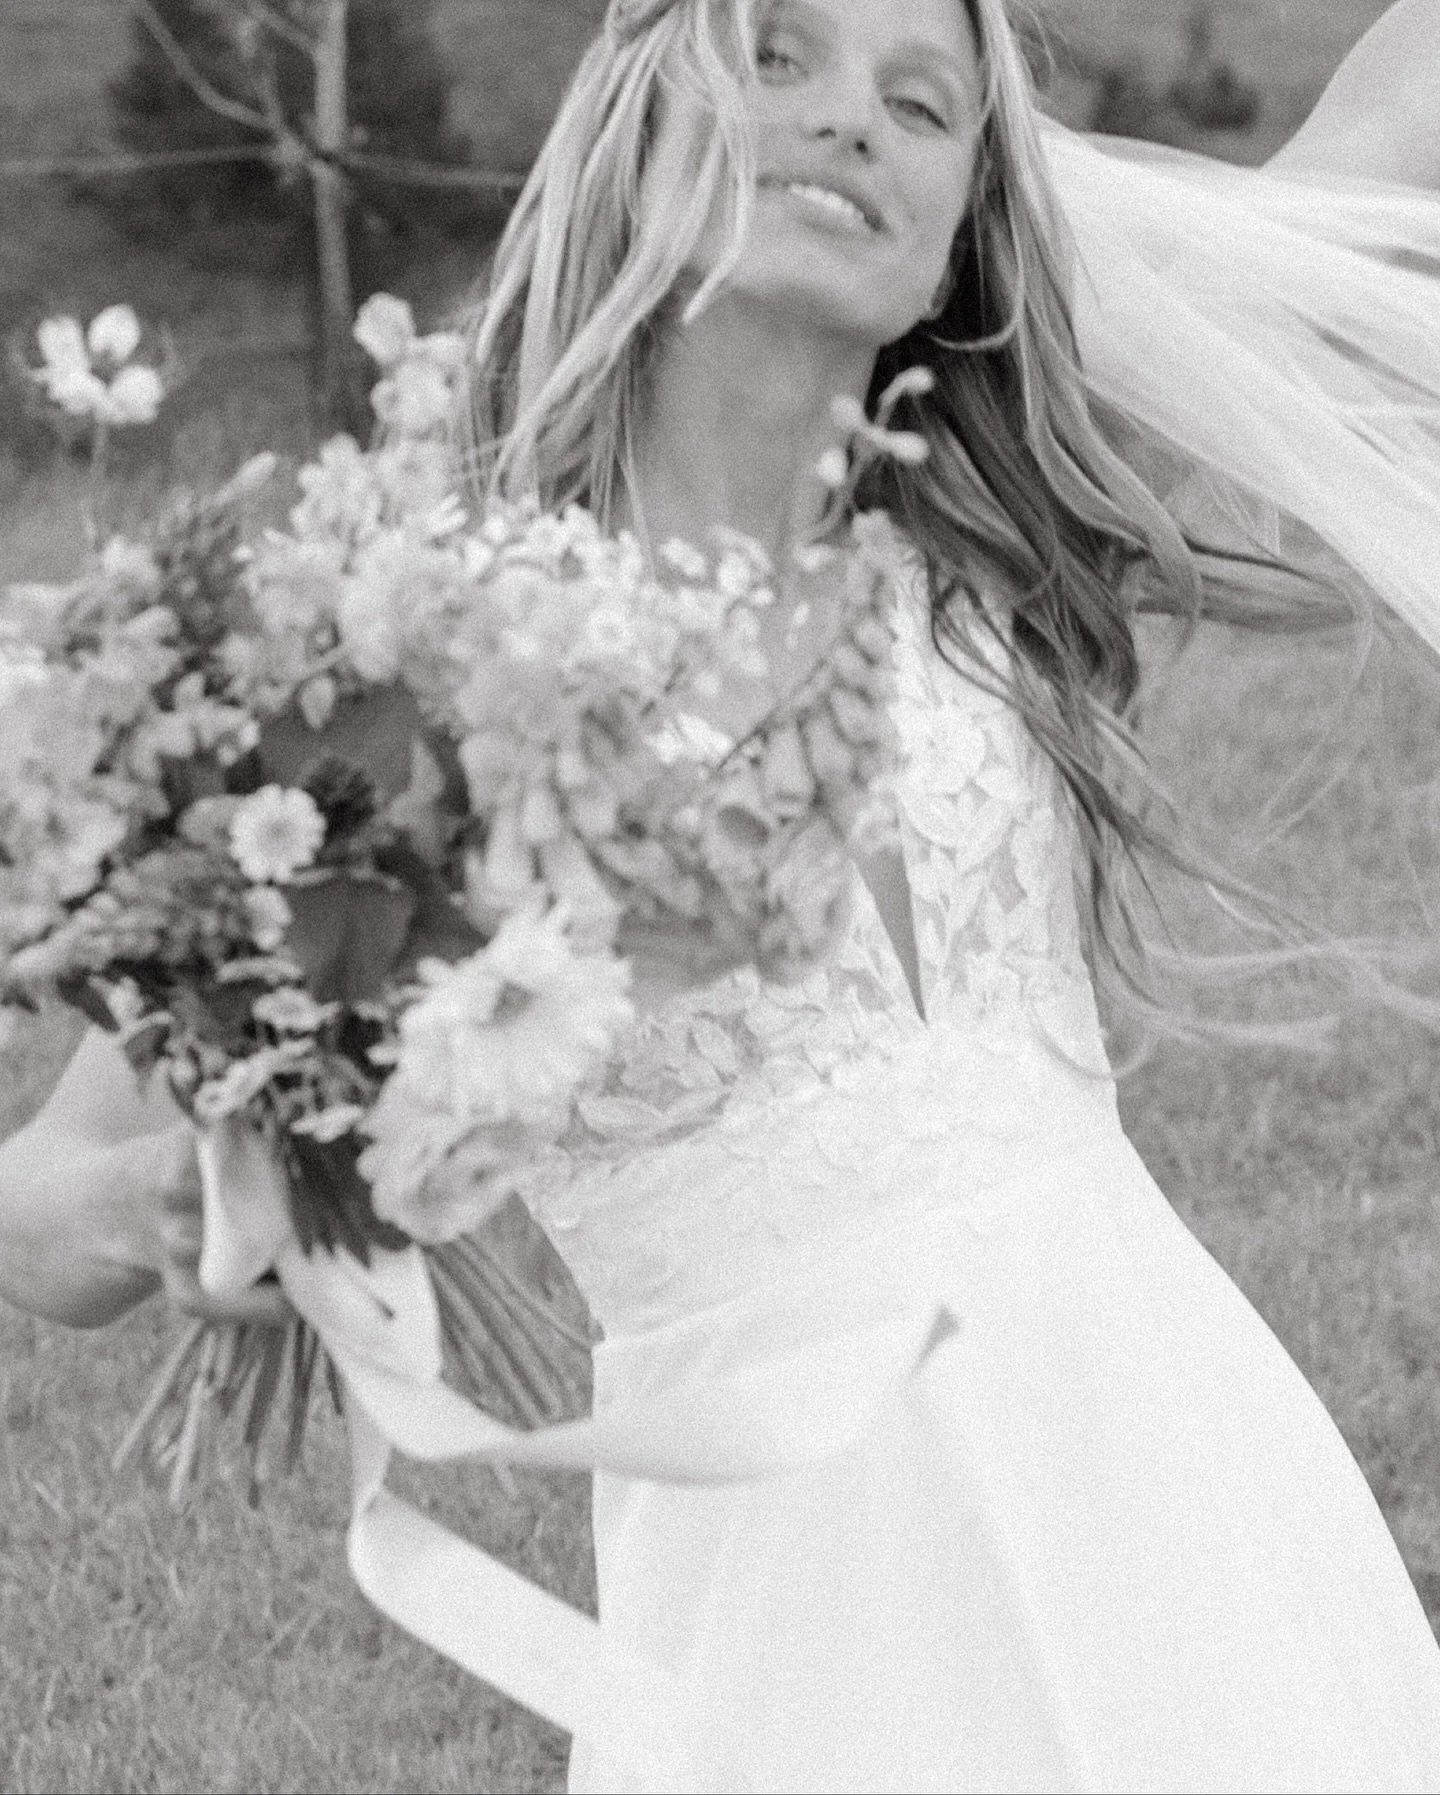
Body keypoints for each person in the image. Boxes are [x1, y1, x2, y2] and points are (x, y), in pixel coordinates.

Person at [3, 0, 1440, 1787]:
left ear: (953, 244)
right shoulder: (414, 649)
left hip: (1177, 1484)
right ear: (644, 125)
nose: (853, 122)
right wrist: (177, 1202)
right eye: (782, 59)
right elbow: (38, 1197)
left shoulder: (989, 545)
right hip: (798, 1578)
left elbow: (1374, 151)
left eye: (922, 105)